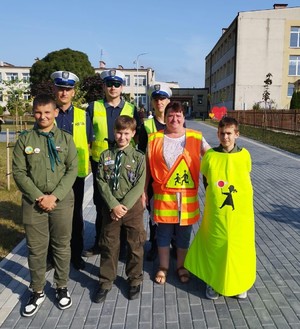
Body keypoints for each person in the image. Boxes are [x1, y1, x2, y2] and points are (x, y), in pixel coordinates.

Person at [12, 94, 78, 317]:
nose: (43, 116)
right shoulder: (25, 140)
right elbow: (19, 173)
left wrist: (55, 197)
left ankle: (61, 287)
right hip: (34, 203)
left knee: (61, 245)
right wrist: (40, 196)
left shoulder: (67, 139)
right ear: (33, 113)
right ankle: (37, 290)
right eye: (38, 112)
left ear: (56, 113)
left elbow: (72, 170)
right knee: (36, 249)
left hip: (61, 202)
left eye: (47, 112)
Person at [184, 117, 256, 300]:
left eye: (229, 133)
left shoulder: (244, 155)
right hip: (217, 211)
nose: (225, 137)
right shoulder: (210, 156)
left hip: (241, 213)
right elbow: (207, 180)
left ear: (237, 134)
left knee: (238, 246)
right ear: (217, 134)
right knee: (215, 244)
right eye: (222, 133)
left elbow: (246, 178)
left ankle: (240, 283)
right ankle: (213, 281)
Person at [147, 101, 210, 285]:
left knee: (183, 235)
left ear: (184, 117)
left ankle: (181, 266)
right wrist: (144, 192)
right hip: (163, 199)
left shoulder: (196, 137)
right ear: (165, 118)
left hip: (186, 200)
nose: (174, 119)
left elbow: (212, 158)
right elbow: (148, 170)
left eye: (178, 115)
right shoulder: (154, 138)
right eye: (170, 115)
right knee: (163, 234)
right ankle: (163, 267)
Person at [83, 69, 141, 258]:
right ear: (103, 86)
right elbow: (87, 137)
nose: (113, 88)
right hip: (101, 162)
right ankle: (100, 244)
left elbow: (138, 137)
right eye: (109, 84)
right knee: (102, 205)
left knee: (124, 205)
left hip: (125, 163)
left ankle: (122, 246)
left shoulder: (131, 109)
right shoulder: (93, 107)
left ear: (122, 87)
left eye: (117, 84)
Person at [93, 115, 146, 303]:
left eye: (126, 133)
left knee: (135, 245)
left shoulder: (139, 157)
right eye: (118, 133)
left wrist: (124, 206)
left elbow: (139, 184)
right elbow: (100, 181)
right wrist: (114, 205)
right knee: (109, 245)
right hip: (111, 208)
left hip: (132, 210)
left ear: (132, 134)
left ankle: (134, 280)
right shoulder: (106, 156)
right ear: (114, 133)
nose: (122, 137)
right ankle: (106, 281)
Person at [50, 71, 94, 271]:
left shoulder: (83, 115)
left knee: (75, 216)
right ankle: (52, 257)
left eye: (68, 89)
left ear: (73, 92)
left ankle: (76, 255)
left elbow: (89, 142)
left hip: (76, 174)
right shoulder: (48, 113)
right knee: (52, 214)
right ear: (55, 89)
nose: (64, 92)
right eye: (61, 88)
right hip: (51, 175)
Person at [138, 82, 172, 261]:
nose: (160, 102)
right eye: (156, 99)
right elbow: (142, 155)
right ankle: (155, 244)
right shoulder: (146, 126)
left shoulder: (177, 122)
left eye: (163, 98)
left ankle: (173, 245)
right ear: (152, 102)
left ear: (169, 101)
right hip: (154, 180)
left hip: (173, 180)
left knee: (174, 213)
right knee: (154, 214)